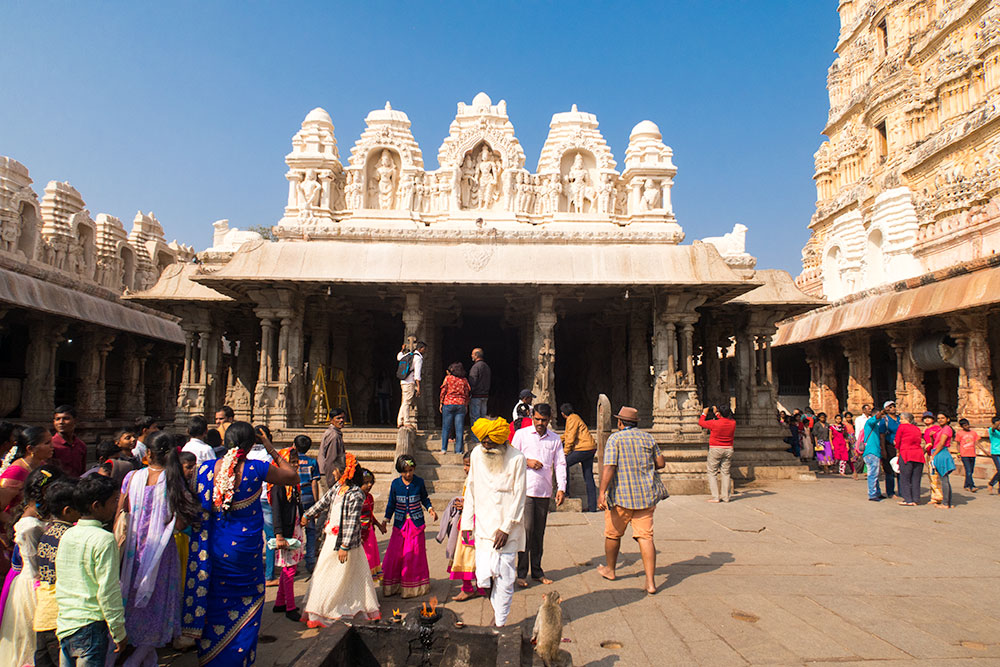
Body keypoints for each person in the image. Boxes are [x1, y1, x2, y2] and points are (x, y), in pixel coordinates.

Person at [192, 422, 297, 665]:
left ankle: (213, 656)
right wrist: (270, 448)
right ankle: (239, 658)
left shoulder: (205, 470)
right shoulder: (256, 468)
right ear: (251, 445)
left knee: (216, 601)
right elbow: (291, 476)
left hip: (215, 552)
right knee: (246, 601)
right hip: (245, 554)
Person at [117, 431, 201, 665]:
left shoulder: (132, 478)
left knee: (133, 601)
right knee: (156, 603)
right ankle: (136, 660)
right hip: (161, 553)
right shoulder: (174, 482)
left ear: (148, 454)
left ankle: (144, 657)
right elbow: (182, 521)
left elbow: (120, 514)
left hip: (133, 551)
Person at [300, 453, 381, 626]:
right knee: (324, 573)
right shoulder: (338, 488)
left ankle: (340, 609)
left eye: (335, 469)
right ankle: (321, 610)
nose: (333, 472)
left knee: (344, 577)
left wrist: (345, 545)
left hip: (346, 543)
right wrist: (308, 514)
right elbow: (323, 502)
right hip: (331, 538)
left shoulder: (356, 494)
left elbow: (352, 522)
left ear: (344, 472)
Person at [55, 474, 126, 667]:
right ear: (96, 506)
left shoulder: (68, 534)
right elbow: (108, 590)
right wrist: (118, 631)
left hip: (66, 623)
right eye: (113, 502)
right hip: (90, 625)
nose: (115, 507)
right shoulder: (104, 539)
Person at [464, 417, 527, 627]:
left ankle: (499, 622)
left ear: (502, 442)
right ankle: (497, 609)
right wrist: (466, 524)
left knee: (506, 579)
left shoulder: (517, 458)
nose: (487, 448)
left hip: (507, 530)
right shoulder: (476, 454)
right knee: (483, 577)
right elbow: (471, 488)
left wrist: (506, 528)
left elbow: (520, 496)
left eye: (491, 444)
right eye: (484, 443)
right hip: (482, 527)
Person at [597, 406, 666, 595]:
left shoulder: (615, 439)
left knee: (613, 534)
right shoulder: (648, 438)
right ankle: (650, 582)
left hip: (622, 497)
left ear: (620, 423)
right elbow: (661, 463)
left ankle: (610, 570)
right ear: (635, 423)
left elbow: (609, 467)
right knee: (646, 537)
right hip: (646, 496)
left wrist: (602, 492)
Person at [0, 465, 62, 664]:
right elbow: (36, 567)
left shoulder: (41, 517)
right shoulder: (29, 526)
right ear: (46, 491)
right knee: (31, 639)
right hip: (33, 587)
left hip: (40, 583)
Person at [510, 403, 566, 588]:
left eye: (544, 420)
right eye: (537, 419)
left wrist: (561, 488)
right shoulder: (521, 435)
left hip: (544, 491)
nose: (540, 423)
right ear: (532, 417)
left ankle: (537, 570)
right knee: (526, 531)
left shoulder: (555, 439)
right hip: (525, 490)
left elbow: (560, 464)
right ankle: (521, 573)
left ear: (549, 419)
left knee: (539, 533)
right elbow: (511, 458)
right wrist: (527, 461)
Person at [33, 479, 79, 667]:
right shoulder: (69, 536)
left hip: (44, 614)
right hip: (59, 616)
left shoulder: (47, 532)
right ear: (67, 511)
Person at [382, 455, 437, 598]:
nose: (408, 474)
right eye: (404, 471)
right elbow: (391, 504)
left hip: (416, 523)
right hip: (400, 524)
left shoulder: (419, 482)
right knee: (395, 554)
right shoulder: (395, 484)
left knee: (414, 553)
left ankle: (414, 586)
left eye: (410, 470)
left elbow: (424, 498)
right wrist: (385, 519)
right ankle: (394, 585)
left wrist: (430, 509)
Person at [440, 452, 486, 601]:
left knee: (467, 557)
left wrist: (466, 503)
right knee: (468, 556)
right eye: (464, 465)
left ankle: (472, 588)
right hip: (466, 522)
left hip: (474, 524)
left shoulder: (480, 480)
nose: (465, 468)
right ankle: (474, 587)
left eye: (468, 465)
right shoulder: (470, 479)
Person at [269, 447, 305, 622]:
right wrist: (279, 535)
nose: (295, 465)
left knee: (289, 566)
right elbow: (276, 511)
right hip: (286, 530)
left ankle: (280, 602)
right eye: (291, 462)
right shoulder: (278, 486)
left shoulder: (294, 483)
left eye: (296, 462)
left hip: (295, 526)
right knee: (290, 569)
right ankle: (290, 607)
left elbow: (298, 503)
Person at [0, 426, 53, 524]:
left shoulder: (42, 466)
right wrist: (15, 525)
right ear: (30, 449)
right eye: (47, 443)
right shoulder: (16, 472)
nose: (52, 446)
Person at [560, 403, 597, 512]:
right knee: (588, 476)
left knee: (564, 464)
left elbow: (570, 437)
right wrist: (557, 440)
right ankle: (592, 506)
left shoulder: (571, 419)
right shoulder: (575, 418)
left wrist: (565, 451)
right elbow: (566, 435)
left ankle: (565, 493)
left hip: (583, 448)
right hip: (590, 448)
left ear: (563, 414)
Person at [294, 435, 321, 572]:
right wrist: (317, 504)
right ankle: (310, 561)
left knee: (295, 531)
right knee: (310, 530)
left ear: (294, 445)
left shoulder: (291, 461)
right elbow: (314, 483)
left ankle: (294, 563)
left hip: (295, 497)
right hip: (309, 496)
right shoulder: (312, 462)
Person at [699, 405, 736, 503]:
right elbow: (724, 420)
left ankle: (716, 496)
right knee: (726, 472)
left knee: (712, 472)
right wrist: (717, 413)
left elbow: (701, 423)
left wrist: (704, 413)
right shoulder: (733, 423)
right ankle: (726, 496)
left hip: (715, 448)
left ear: (720, 413)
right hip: (728, 449)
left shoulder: (714, 423)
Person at [359, 469, 385, 583]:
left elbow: (371, 514)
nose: (369, 485)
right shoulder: (356, 498)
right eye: (365, 483)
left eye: (371, 482)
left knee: (371, 559)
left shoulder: (369, 497)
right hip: (360, 534)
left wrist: (379, 525)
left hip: (369, 533)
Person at [440, 361, 471, 455]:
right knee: (459, 428)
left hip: (448, 403)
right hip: (460, 404)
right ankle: (459, 450)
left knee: (446, 427)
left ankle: (444, 449)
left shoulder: (448, 378)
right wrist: (466, 404)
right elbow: (467, 393)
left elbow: (443, 391)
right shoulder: (464, 380)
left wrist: (441, 402)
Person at [894, 412, 924, 506]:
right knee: (916, 478)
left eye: (901, 419)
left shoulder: (902, 427)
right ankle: (916, 498)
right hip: (918, 454)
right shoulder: (917, 428)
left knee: (905, 478)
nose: (900, 421)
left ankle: (908, 499)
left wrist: (897, 448)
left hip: (906, 453)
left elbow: (898, 441)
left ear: (906, 419)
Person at [929, 414, 956, 509]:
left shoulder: (947, 429)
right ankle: (948, 502)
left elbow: (941, 443)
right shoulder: (940, 429)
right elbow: (935, 442)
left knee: (944, 479)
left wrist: (933, 455)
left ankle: (945, 503)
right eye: (939, 418)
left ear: (947, 419)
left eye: (942, 418)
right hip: (939, 452)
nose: (940, 420)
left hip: (941, 453)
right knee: (944, 479)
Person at [51, 405, 87, 478]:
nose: (61, 422)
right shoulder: (50, 445)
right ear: (54, 422)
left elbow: (82, 471)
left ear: (75, 421)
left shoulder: (81, 445)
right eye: (58, 419)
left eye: (66, 418)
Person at [397, 341, 426, 428]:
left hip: (403, 381)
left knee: (404, 401)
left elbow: (399, 357)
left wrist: (402, 350)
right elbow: (417, 374)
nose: (425, 351)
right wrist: (418, 387)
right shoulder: (418, 358)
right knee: (407, 402)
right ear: (420, 349)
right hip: (409, 382)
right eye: (424, 349)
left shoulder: (409, 354)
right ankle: (406, 420)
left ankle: (400, 420)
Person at [318, 409, 346, 487]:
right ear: (331, 420)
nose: (341, 420)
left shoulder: (333, 433)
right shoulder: (334, 435)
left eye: (343, 418)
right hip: (329, 474)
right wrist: (331, 481)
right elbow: (330, 460)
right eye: (338, 418)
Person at [861, 408, 885, 501]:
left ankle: (877, 492)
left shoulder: (876, 427)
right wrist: (882, 412)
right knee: (872, 474)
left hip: (875, 452)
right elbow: (876, 418)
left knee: (876, 473)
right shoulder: (870, 423)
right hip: (871, 452)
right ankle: (872, 494)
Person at [878, 401, 900, 498]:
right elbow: (882, 436)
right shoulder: (885, 420)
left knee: (900, 468)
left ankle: (902, 489)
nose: (893, 408)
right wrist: (883, 450)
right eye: (890, 407)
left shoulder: (900, 419)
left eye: (893, 406)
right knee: (889, 470)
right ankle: (890, 492)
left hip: (900, 446)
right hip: (889, 445)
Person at [922, 411, 944, 504]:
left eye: (929, 418)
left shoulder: (936, 428)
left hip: (934, 453)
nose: (927, 419)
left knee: (934, 475)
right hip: (929, 453)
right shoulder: (926, 430)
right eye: (925, 418)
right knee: (931, 475)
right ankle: (934, 495)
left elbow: (938, 441)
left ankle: (937, 496)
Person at [956, 418, 980, 492]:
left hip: (972, 454)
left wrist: (984, 451)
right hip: (964, 454)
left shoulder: (973, 433)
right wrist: (958, 452)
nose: (967, 426)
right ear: (962, 426)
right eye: (965, 425)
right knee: (968, 470)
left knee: (970, 471)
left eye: (967, 425)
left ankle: (966, 485)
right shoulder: (959, 433)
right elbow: (958, 444)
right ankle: (972, 485)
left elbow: (977, 442)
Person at [988, 416, 1000, 494]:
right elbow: (993, 428)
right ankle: (991, 483)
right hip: (995, 452)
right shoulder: (992, 430)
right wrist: (997, 424)